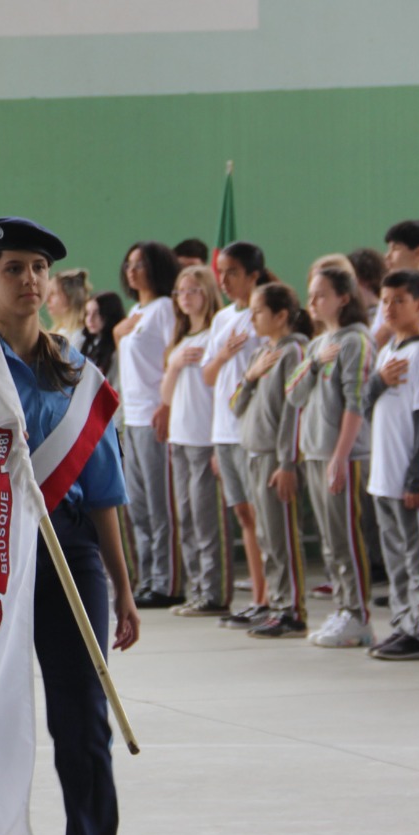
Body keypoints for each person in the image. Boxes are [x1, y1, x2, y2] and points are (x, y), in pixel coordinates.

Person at [0, 217, 141, 835]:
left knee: (82, 718)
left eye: (39, 267)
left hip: (71, 550)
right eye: (14, 268)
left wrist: (124, 589)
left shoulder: (76, 374)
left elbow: (103, 493)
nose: (30, 280)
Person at [286, 263, 376, 648]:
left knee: (345, 537)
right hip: (315, 452)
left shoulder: (355, 340)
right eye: (311, 295)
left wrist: (341, 455)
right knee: (328, 540)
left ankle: (359, 614)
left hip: (344, 455)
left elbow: (356, 403)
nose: (313, 302)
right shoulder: (315, 345)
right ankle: (343, 606)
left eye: (322, 295)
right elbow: (294, 394)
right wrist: (313, 363)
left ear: (344, 297)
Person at [363, 268, 419, 661]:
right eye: (385, 301)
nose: (390, 309)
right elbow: (364, 406)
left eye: (399, 300)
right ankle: (402, 622)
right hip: (383, 475)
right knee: (396, 558)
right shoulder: (386, 352)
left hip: (406, 477)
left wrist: (417, 476)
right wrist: (377, 381)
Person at [235, 283, 313, 639]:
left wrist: (287, 462)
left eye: (259, 312)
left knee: (281, 535)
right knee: (267, 535)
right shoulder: (259, 354)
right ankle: (277, 603)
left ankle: (292, 610)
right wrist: (250, 378)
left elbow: (294, 410)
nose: (252, 318)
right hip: (254, 453)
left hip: (275, 458)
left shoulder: (294, 351)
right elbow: (236, 404)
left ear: (281, 315)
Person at [201, 241, 271, 629]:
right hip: (224, 431)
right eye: (220, 272)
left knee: (263, 515)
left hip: (252, 431)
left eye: (232, 272)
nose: (223, 280)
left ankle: (271, 596)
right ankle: (259, 597)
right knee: (243, 513)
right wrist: (225, 354)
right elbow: (209, 376)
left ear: (253, 274)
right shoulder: (223, 318)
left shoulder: (263, 318)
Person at [113, 240, 183, 607]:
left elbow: (171, 360)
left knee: (160, 504)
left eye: (139, 264)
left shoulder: (164, 309)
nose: (131, 270)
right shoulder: (134, 311)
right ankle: (147, 577)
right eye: (128, 264)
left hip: (156, 414)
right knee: (137, 505)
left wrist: (167, 404)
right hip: (133, 417)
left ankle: (167, 582)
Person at [160, 265, 229, 617]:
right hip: (180, 436)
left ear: (207, 293)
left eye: (192, 291)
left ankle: (214, 591)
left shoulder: (213, 335)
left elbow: (218, 388)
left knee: (206, 519)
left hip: (204, 436)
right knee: (185, 516)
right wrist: (173, 365)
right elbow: (166, 394)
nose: (185, 298)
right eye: (180, 291)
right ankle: (197, 588)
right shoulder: (181, 339)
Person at [79, 291, 126, 386]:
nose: (90, 319)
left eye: (97, 313)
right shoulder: (86, 344)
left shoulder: (118, 349)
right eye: (87, 313)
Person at [45, 268, 90, 343]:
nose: (47, 299)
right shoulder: (59, 332)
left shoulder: (79, 337)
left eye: (53, 294)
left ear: (70, 297)